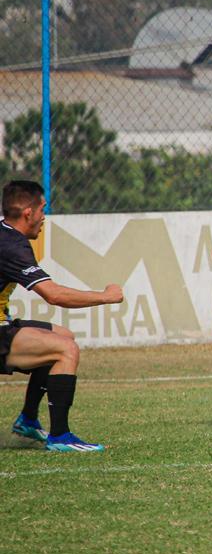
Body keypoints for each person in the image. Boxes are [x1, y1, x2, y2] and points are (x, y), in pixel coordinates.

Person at [1, 180, 123, 452]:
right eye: (42, 209)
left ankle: (28, 419)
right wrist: (105, 296)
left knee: (62, 335)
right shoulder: (12, 245)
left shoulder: (5, 233)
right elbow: (54, 295)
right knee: (66, 349)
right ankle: (60, 436)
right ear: (27, 213)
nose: (44, 216)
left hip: (3, 325)